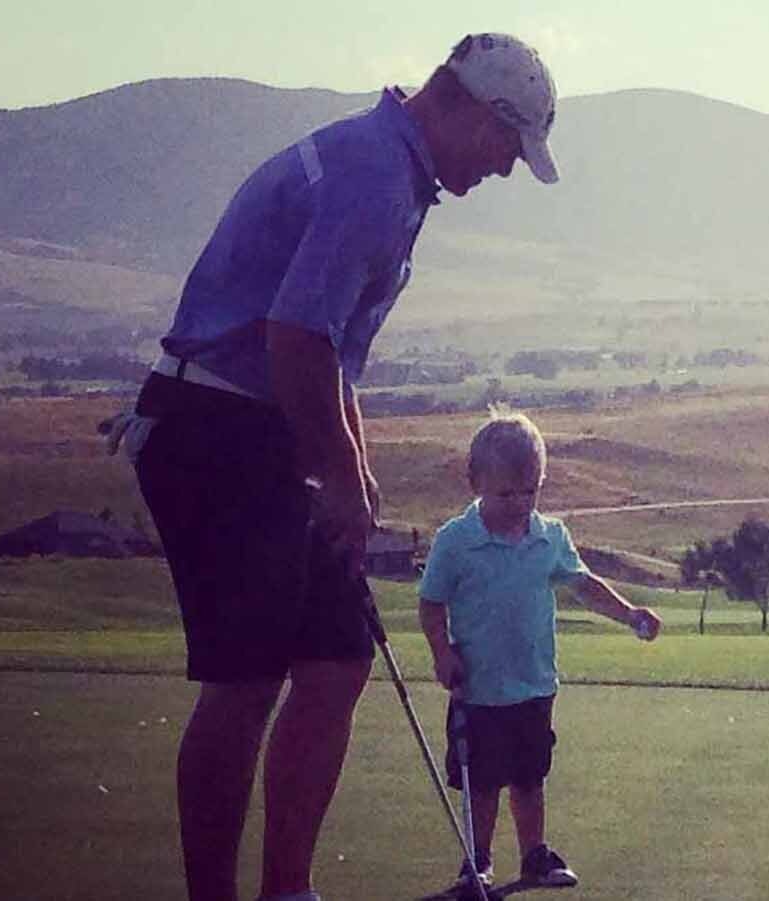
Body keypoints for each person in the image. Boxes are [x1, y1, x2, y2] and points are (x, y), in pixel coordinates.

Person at [121, 33, 562, 901]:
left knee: (334, 659)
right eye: (510, 145)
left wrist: (353, 478)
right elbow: (294, 339)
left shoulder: (395, 175)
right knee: (244, 682)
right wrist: (334, 475)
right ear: (475, 110)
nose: (508, 168)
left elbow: (334, 358)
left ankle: (289, 890)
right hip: (214, 424)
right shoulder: (370, 175)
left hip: (270, 424)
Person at [418, 411, 662, 896]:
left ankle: (534, 855)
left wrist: (630, 613)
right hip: (480, 687)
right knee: (482, 782)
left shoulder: (549, 536)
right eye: (507, 493)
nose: (520, 503)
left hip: (534, 682)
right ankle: (477, 864)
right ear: (476, 483)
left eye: (530, 491)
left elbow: (584, 585)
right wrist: (442, 654)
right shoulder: (456, 541)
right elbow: (430, 604)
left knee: (530, 776)